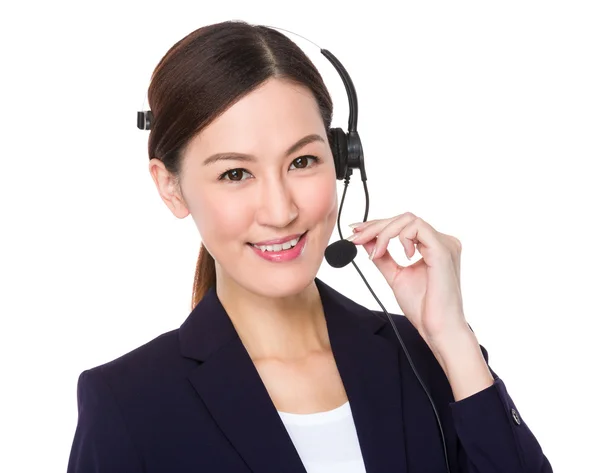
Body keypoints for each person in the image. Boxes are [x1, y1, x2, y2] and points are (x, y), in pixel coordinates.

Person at [66, 20, 553, 473]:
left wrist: (452, 338)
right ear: (171, 187)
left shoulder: (427, 359)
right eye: (236, 173)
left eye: (302, 162)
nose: (280, 211)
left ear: (342, 159)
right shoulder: (128, 403)